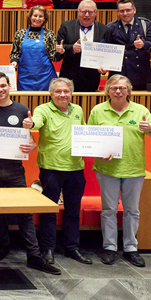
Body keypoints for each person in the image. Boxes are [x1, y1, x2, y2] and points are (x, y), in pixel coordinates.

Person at [0, 72, 61, 275]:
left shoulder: (21, 110)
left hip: (14, 169)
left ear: (9, 86)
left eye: (3, 85)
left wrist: (31, 145)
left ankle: (34, 256)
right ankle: (3, 246)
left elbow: (30, 141)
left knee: (24, 212)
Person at [89, 74, 151, 267]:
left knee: (132, 211)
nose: (118, 91)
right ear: (107, 90)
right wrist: (99, 153)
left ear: (129, 90)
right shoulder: (98, 110)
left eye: (122, 88)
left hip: (134, 169)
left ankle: (131, 248)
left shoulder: (141, 110)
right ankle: (110, 248)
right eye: (114, 88)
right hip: (107, 169)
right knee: (109, 210)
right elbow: (89, 142)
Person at [30, 78, 92, 265]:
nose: (62, 95)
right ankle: (48, 248)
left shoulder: (78, 110)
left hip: (75, 167)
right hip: (51, 168)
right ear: (51, 94)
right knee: (49, 210)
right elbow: (36, 123)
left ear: (71, 93)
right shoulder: (43, 110)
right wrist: (29, 123)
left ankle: (72, 247)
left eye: (66, 91)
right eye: (58, 92)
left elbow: (84, 134)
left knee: (73, 210)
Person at [105, 0, 151, 90]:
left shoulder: (145, 24)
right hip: (119, 76)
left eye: (128, 10)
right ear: (118, 12)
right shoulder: (111, 27)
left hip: (140, 75)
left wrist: (143, 44)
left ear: (134, 10)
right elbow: (105, 50)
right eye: (122, 11)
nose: (125, 13)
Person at [54, 0, 109, 91]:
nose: (87, 15)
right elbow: (59, 48)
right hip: (69, 74)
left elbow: (107, 53)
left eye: (90, 12)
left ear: (96, 12)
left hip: (92, 76)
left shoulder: (104, 29)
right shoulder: (66, 26)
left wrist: (104, 67)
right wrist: (72, 48)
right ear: (78, 11)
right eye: (83, 11)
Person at [10, 6, 58, 91]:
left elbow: (54, 57)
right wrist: (14, 62)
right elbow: (15, 53)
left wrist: (60, 52)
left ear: (44, 19)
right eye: (35, 15)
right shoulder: (20, 33)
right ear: (30, 17)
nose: (37, 18)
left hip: (45, 77)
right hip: (25, 77)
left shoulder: (49, 34)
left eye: (40, 16)